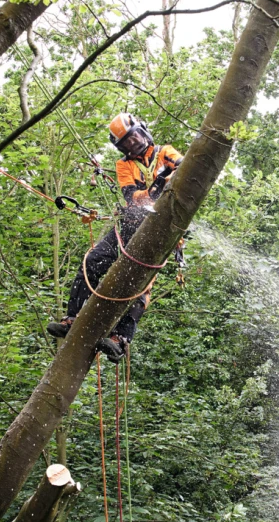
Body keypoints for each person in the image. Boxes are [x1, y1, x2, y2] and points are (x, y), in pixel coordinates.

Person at [46, 114, 184, 361]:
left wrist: (166, 180)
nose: (134, 145)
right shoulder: (124, 165)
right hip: (132, 221)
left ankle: (120, 339)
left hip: (161, 227)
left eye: (135, 139)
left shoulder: (164, 152)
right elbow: (132, 197)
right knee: (93, 260)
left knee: (141, 281)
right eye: (127, 144)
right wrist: (155, 188)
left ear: (143, 131)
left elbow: (182, 165)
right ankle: (72, 318)